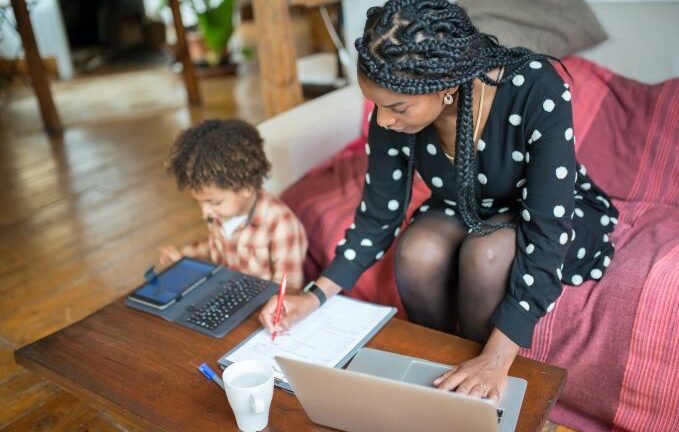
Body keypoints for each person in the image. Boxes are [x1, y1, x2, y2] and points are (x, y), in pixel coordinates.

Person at [259, 0, 618, 402]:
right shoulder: (393, 106)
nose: (382, 121)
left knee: (487, 255)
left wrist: (498, 358)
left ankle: (483, 386)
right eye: (376, 105)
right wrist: (314, 296)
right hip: (464, 204)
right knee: (418, 250)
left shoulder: (536, 87)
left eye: (397, 108)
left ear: (446, 86)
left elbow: (548, 229)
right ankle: (441, 374)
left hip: (547, 214)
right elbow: (378, 216)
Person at [160, 119, 308, 291]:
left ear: (247, 188)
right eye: (199, 203)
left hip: (261, 307)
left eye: (214, 202)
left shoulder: (281, 225)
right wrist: (184, 257)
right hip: (225, 293)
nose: (205, 213)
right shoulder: (221, 213)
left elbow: (287, 290)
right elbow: (217, 245)